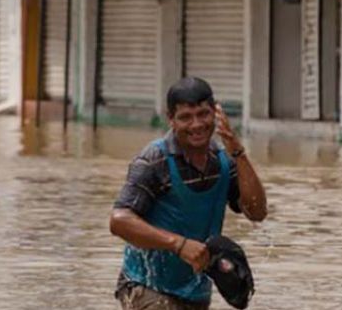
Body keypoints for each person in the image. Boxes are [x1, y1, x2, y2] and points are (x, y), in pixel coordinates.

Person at [110, 77, 268, 310]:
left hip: (195, 290)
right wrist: (179, 244)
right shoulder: (154, 161)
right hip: (145, 286)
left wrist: (239, 152)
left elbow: (256, 212)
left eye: (203, 114)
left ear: (216, 113)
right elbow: (119, 221)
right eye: (185, 117)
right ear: (171, 120)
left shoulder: (225, 161)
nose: (196, 125)